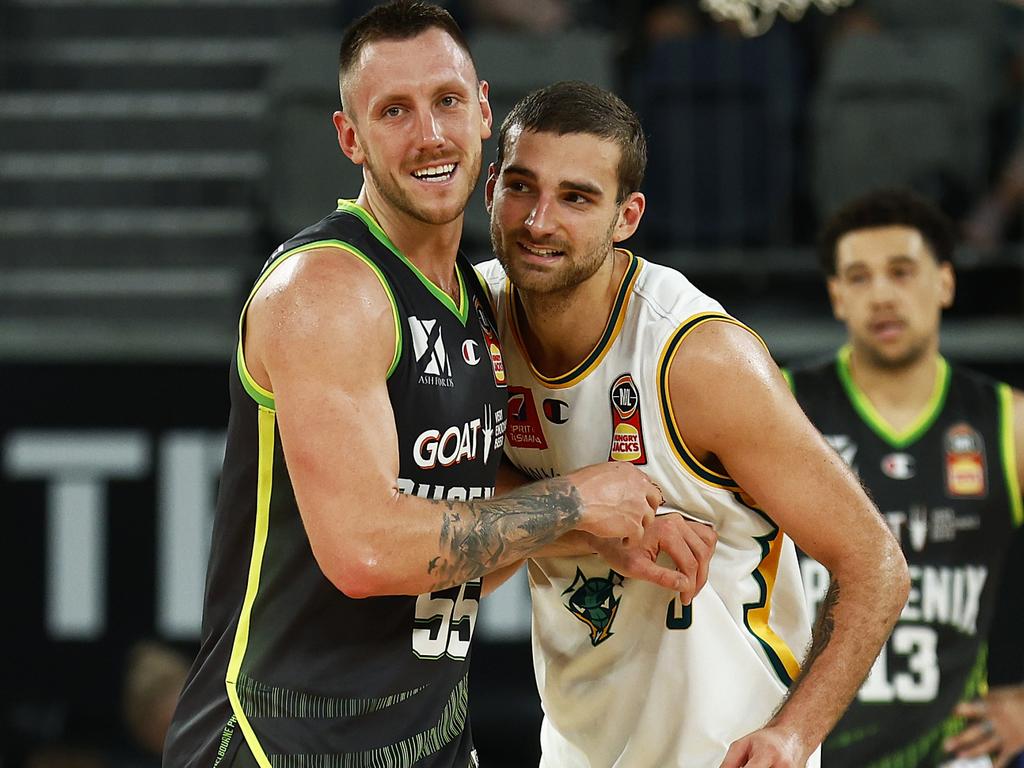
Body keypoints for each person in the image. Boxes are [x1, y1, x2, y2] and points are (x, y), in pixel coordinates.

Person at [162, 5, 692, 767]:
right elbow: (368, 552)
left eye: (446, 101)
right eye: (394, 112)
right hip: (279, 743)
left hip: (426, 737)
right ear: (351, 139)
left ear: (483, 110)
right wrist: (576, 500)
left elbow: (466, 530)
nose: (430, 135)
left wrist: (607, 531)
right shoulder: (326, 291)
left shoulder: (474, 298)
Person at [476, 80, 910, 768]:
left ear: (627, 216)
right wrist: (581, 511)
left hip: (726, 754)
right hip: (578, 750)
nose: (539, 221)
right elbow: (461, 543)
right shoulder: (471, 324)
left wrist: (794, 735)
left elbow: (876, 564)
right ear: (491, 184)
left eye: (577, 197)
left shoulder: (699, 358)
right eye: (522, 188)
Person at [788, 188, 1024, 767]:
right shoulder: (782, 409)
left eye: (901, 272)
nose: (883, 296)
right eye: (860, 278)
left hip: (952, 752)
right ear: (837, 296)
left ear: (944, 282)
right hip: (805, 749)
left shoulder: (1009, 422)